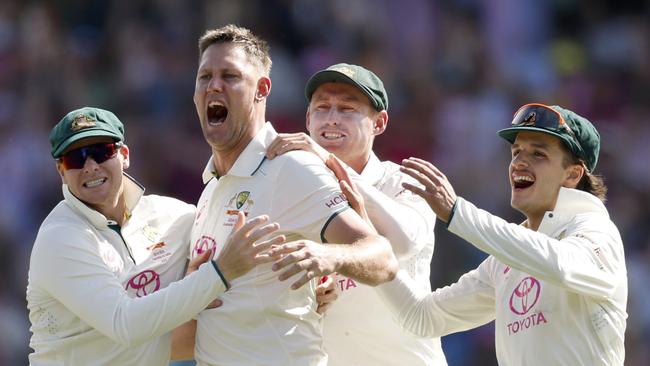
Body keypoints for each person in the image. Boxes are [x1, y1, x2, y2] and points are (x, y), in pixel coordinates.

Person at [188, 25, 398, 366]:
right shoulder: (211, 187)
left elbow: (382, 259)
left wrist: (327, 256)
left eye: (230, 76)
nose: (214, 85)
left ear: (261, 89)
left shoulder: (289, 167)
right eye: (205, 77)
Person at [26, 107, 285, 365]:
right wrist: (219, 274)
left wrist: (317, 273)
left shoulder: (172, 215)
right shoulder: (60, 238)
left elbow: (252, 231)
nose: (91, 167)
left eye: (101, 152)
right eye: (75, 159)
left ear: (124, 155)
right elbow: (125, 325)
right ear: (61, 170)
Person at [374, 103, 627, 365]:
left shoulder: (597, 230)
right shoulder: (507, 259)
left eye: (538, 154)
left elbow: (561, 265)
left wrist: (457, 212)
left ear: (572, 174)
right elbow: (422, 316)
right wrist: (370, 247)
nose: (519, 162)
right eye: (516, 152)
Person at [265, 63, 446, 365]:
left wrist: (329, 164)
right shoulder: (289, 192)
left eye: (348, 109)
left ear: (379, 122)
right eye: (323, 108)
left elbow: (401, 244)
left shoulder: (405, 181)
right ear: (308, 119)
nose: (333, 118)